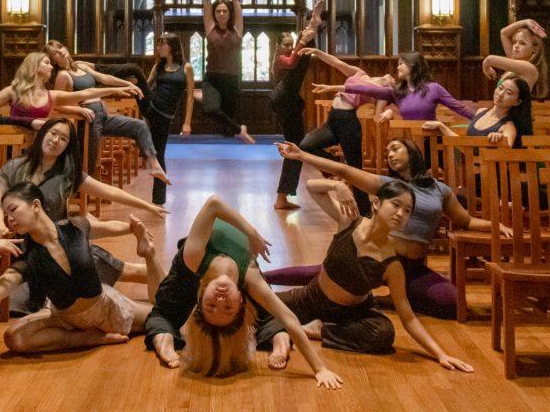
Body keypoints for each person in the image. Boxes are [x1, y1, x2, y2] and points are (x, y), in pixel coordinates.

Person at [268, 139, 509, 319]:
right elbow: (343, 171)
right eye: (387, 153)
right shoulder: (387, 186)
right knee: (319, 276)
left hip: (412, 269)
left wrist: (497, 226)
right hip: (375, 259)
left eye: (395, 148)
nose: (390, 155)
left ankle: (384, 299)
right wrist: (301, 155)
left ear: (412, 151)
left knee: (452, 304)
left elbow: (465, 221)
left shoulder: (440, 189)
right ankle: (262, 278)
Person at [257, 181, 473, 371]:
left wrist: (440, 354)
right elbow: (312, 187)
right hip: (311, 297)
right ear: (377, 203)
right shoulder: (349, 221)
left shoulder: (392, 264)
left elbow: (408, 317)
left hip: (351, 315)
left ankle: (317, 329)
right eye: (396, 205)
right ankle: (282, 337)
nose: (401, 214)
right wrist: (338, 186)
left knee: (383, 333)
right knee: (255, 305)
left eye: (407, 211)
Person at [144, 194, 343, 388]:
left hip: (195, 254)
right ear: (241, 299)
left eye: (211, 306)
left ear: (200, 295)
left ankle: (163, 335)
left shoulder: (194, 256)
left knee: (163, 304)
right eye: (228, 307)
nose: (220, 299)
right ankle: (164, 342)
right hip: (239, 265)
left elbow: (214, 204)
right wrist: (319, 369)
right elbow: (289, 318)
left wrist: (251, 234)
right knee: (267, 313)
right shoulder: (250, 278)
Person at [0, 118, 167, 315]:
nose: (56, 140)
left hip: (62, 244)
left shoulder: (67, 173)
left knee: (128, 271)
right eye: (53, 133)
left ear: (67, 146)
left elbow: (108, 191)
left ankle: (182, 280)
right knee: (20, 303)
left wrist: (148, 206)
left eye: (63, 139)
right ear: (43, 133)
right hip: (25, 247)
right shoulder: (15, 167)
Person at [0, 183, 162, 353]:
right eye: (6, 215)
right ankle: (86, 339)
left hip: (106, 310)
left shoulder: (75, 227)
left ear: (35, 205)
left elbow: (109, 227)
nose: (9, 219)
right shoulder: (26, 258)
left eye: (13, 210)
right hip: (65, 321)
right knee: (14, 337)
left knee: (161, 316)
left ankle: (150, 257)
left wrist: (136, 229)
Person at [277, 47, 383, 216]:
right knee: (305, 145)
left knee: (356, 172)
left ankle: (365, 213)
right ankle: (334, 166)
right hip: (332, 120)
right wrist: (317, 52)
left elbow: (366, 96)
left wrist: (331, 87)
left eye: (391, 82)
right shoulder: (359, 73)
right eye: (387, 77)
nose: (389, 78)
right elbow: (336, 62)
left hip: (348, 123)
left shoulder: (377, 89)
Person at [45, 40, 168, 184]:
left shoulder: (80, 65)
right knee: (88, 165)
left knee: (139, 126)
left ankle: (155, 165)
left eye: (60, 47)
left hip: (102, 115)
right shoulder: (63, 76)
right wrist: (79, 109)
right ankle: (71, 193)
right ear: (53, 60)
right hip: (88, 120)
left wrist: (127, 84)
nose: (60, 51)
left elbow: (104, 78)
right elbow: (56, 105)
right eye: (55, 53)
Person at [0, 51, 136, 132]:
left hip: (42, 145)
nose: (52, 66)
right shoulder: (13, 92)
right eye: (47, 63)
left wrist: (119, 89)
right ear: (34, 66)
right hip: (15, 146)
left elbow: (86, 93)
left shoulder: (50, 95)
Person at [268, 2, 325, 210]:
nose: (290, 47)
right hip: (282, 98)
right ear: (277, 47)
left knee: (296, 149)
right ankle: (310, 28)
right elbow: (292, 62)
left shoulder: (291, 54)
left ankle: (282, 198)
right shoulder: (279, 59)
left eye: (292, 43)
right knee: (300, 57)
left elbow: (303, 57)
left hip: (290, 103)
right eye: (286, 44)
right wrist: (303, 39)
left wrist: (306, 40)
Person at [198, 0, 254, 143]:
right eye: (218, 11)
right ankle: (240, 130)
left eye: (224, 11)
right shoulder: (210, 28)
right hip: (212, 78)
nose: (221, 13)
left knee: (227, 124)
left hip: (231, 79)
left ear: (229, 14)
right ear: (214, 14)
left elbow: (236, 1)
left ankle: (235, 136)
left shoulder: (237, 30)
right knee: (209, 109)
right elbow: (207, 0)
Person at [346, 52, 477, 125]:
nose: (397, 68)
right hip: (410, 141)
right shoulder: (397, 91)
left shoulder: (434, 88)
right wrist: (335, 88)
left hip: (431, 139)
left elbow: (460, 108)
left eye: (401, 64)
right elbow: (367, 90)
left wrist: (485, 121)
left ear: (413, 65)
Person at [143, 33, 194, 206]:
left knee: (159, 154)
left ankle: (158, 199)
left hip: (164, 116)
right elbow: (146, 87)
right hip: (151, 108)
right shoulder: (158, 66)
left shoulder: (186, 67)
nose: (158, 48)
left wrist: (187, 122)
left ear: (172, 46)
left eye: (161, 45)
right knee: (158, 154)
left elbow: (190, 97)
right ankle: (158, 200)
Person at [425, 72, 533, 148]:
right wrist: (441, 126)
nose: (500, 94)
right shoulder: (481, 111)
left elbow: (507, 146)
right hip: (468, 168)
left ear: (517, 102)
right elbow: (463, 144)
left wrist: (500, 139)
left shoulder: (508, 126)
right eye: (500, 88)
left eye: (508, 93)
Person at [482, 18, 548, 99]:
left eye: (522, 43)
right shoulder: (514, 59)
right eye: (514, 42)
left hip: (514, 111)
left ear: (534, 49)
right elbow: (503, 33)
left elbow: (490, 60)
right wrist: (526, 22)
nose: (516, 46)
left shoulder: (529, 68)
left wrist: (486, 67)